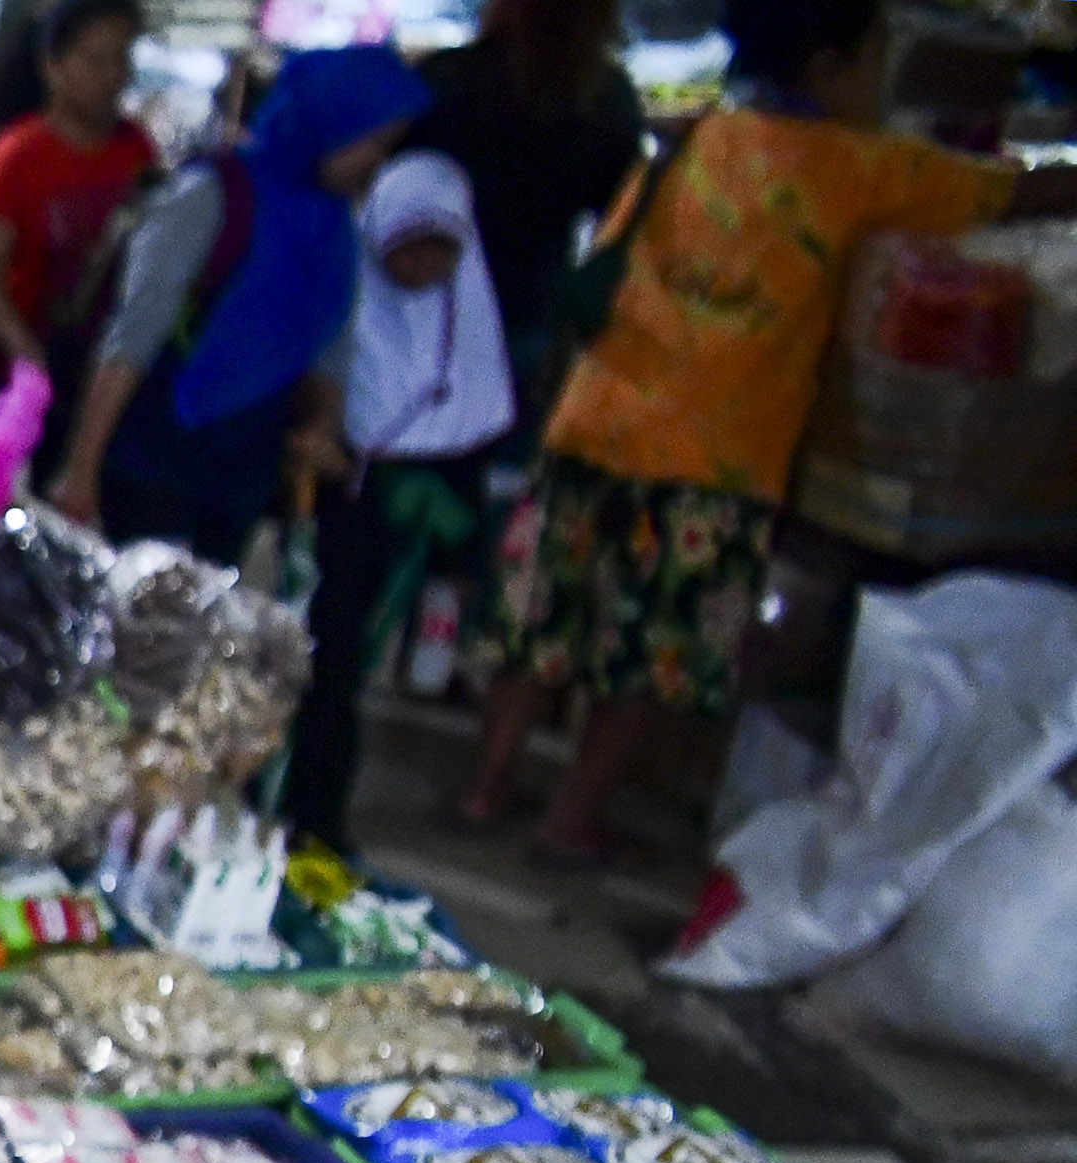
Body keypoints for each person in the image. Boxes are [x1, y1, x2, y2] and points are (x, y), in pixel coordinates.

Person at [461, 0, 1077, 863]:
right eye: (872, 61)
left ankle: (487, 791)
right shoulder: (860, 168)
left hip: (601, 416)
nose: (877, 81)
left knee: (545, 621)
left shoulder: (703, 135)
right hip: (717, 450)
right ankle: (569, 821)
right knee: (652, 652)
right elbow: (1019, 192)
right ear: (830, 69)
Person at [51, 45, 433, 563]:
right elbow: (132, 337)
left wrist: (321, 429)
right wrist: (81, 470)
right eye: (371, 142)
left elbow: (331, 345)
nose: (377, 162)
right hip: (154, 452)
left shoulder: (335, 229)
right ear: (331, 122)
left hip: (245, 467)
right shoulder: (209, 195)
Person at [278, 151, 514, 851]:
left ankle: (319, 820)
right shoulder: (343, 299)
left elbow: (473, 430)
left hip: (407, 530)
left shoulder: (467, 325)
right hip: (336, 513)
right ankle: (286, 803)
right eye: (407, 248)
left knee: (343, 675)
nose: (422, 268)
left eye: (440, 251)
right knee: (314, 661)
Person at [0, 0, 157, 454]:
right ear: (53, 67)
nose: (113, 75)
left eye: (122, 58)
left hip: (71, 363)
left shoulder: (134, 150)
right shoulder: (16, 157)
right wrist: (26, 355)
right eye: (97, 59)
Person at [405, 0, 644, 401]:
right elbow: (620, 212)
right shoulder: (606, 97)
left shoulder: (445, 78)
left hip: (428, 296)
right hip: (532, 304)